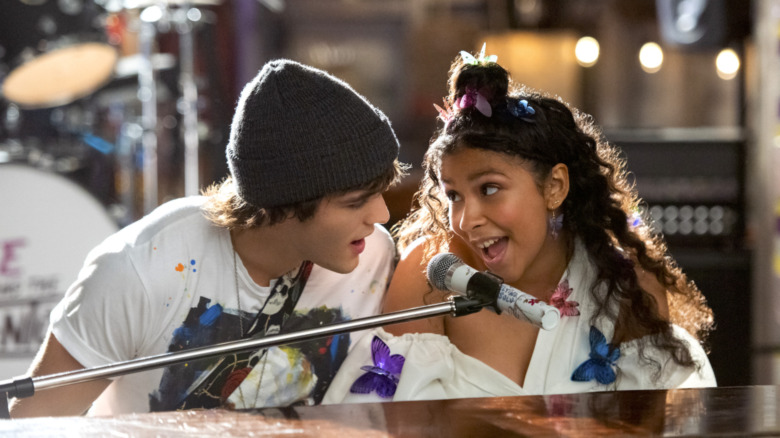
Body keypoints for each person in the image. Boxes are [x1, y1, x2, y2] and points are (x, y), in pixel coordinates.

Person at [10, 59, 406, 417]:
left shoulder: (370, 256)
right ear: (283, 203)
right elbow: (34, 424)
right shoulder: (141, 269)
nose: (382, 217)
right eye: (355, 202)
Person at [323, 45, 715, 404]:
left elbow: (657, 422)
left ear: (555, 187)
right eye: (454, 195)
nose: (466, 219)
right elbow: (389, 421)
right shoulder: (431, 277)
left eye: (490, 188)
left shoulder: (627, 287)